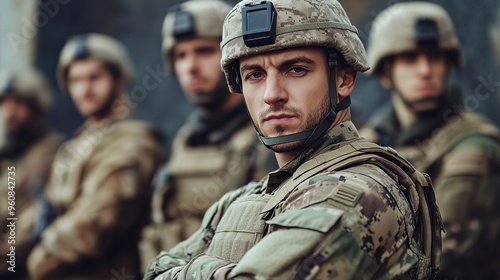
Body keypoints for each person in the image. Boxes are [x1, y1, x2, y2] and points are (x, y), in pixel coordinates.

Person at [144, 0, 443, 279]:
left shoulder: (358, 193)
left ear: (344, 79)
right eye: (254, 75)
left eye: (296, 69)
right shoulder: (243, 198)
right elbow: (154, 270)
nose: (272, 94)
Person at [361, 2, 500, 279]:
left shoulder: (473, 144)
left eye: (435, 58)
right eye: (410, 58)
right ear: (386, 73)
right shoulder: (370, 139)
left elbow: (439, 255)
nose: (425, 70)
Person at [139, 0, 277, 271]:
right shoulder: (187, 138)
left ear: (233, 55)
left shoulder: (269, 136)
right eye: (180, 56)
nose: (190, 67)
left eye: (203, 51)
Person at [26, 33, 164, 280]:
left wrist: (36, 261)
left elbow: (92, 227)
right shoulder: (77, 143)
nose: (84, 89)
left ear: (118, 79)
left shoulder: (132, 141)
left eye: (94, 77)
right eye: (75, 80)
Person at [0, 68, 63, 279]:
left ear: (37, 110)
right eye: (5, 104)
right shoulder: (10, 155)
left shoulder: (51, 153)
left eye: (18, 104)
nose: (10, 113)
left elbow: (31, 221)